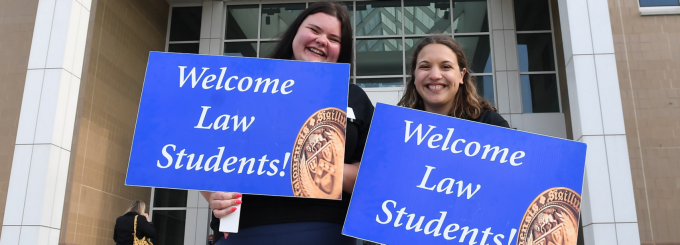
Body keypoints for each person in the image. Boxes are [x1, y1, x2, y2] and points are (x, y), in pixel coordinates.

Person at [202, 2, 373, 245]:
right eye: (314, 30)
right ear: (295, 33)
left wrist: (307, 166)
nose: (322, 40)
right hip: (246, 229)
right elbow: (201, 154)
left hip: (327, 232)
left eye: (334, 38)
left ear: (341, 50)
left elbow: (373, 175)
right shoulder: (244, 86)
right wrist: (213, 195)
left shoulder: (355, 97)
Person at [398, 35, 509, 128]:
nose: (435, 75)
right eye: (425, 66)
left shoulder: (491, 125)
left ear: (461, 75)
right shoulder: (397, 127)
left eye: (446, 66)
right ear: (414, 75)